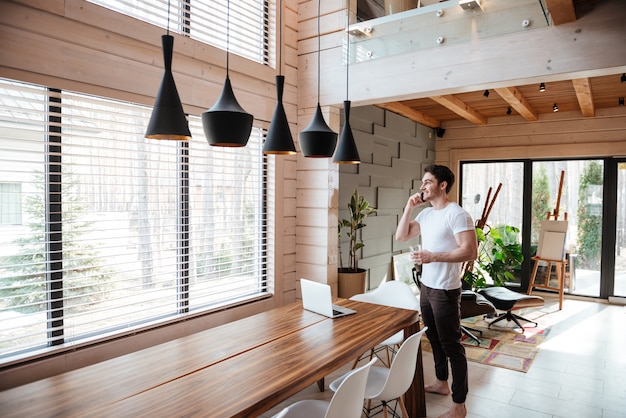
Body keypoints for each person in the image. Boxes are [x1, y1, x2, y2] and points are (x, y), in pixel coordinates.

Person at [395, 164, 477, 418]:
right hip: (427, 288)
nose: (422, 187)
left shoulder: (457, 214)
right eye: (422, 182)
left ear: (442, 185)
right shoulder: (427, 215)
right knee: (434, 340)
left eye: (428, 182)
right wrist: (409, 207)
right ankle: (441, 383)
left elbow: (469, 251)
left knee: (452, 346)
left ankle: (459, 405)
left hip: (445, 291)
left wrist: (433, 257)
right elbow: (401, 236)